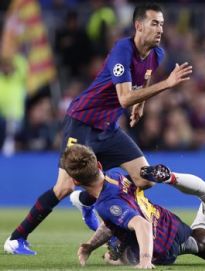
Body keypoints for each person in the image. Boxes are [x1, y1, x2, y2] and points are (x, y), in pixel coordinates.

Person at [4, 3, 192, 255]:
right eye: (154, 23)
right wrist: (167, 84)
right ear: (138, 26)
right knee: (64, 187)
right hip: (82, 123)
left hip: (108, 127)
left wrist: (142, 105)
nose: (160, 29)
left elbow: (143, 79)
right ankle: (16, 238)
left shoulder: (156, 54)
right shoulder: (122, 50)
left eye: (162, 24)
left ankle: (87, 200)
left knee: (144, 179)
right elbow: (125, 98)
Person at [61, 144, 205, 268]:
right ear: (99, 165)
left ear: (76, 182)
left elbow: (141, 225)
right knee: (199, 243)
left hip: (160, 246)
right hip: (169, 222)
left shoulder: (106, 205)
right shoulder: (115, 174)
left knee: (114, 259)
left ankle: (116, 245)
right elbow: (118, 219)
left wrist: (146, 261)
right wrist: (90, 245)